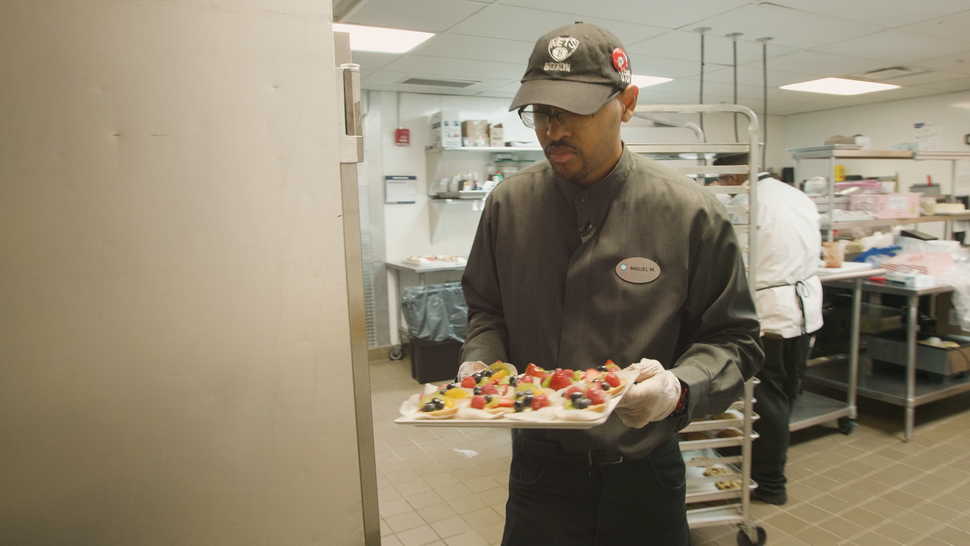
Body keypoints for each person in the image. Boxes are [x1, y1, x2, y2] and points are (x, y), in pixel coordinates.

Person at [457, 22, 764, 546]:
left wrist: (680, 388)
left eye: (573, 111)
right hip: (540, 475)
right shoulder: (508, 206)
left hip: (644, 474)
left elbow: (737, 342)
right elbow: (487, 310)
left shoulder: (690, 213)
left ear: (627, 103)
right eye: (542, 113)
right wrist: (480, 357)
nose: (554, 131)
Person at [714, 153, 824, 505]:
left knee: (767, 397)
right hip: (805, 309)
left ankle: (769, 483)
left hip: (769, 313)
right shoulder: (795, 194)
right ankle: (768, 467)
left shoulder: (746, 204)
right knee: (786, 391)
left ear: (733, 175)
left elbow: (728, 261)